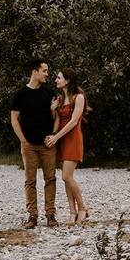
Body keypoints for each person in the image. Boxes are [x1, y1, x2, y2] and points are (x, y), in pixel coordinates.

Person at [10, 58, 59, 228]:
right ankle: (32, 216)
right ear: (35, 72)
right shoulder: (20, 94)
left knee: (50, 178)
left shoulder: (49, 93)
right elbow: (14, 119)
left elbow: (57, 118)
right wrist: (23, 140)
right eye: (44, 71)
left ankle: (50, 215)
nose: (47, 74)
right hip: (29, 144)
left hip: (47, 144)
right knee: (30, 180)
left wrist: (53, 135)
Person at [45, 69, 89, 225]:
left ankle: (83, 208)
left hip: (72, 138)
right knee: (67, 178)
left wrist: (56, 137)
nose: (56, 80)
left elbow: (73, 122)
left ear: (68, 80)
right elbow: (57, 120)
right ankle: (72, 212)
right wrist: (52, 110)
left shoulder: (79, 98)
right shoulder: (60, 98)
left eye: (59, 77)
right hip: (62, 139)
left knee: (66, 176)